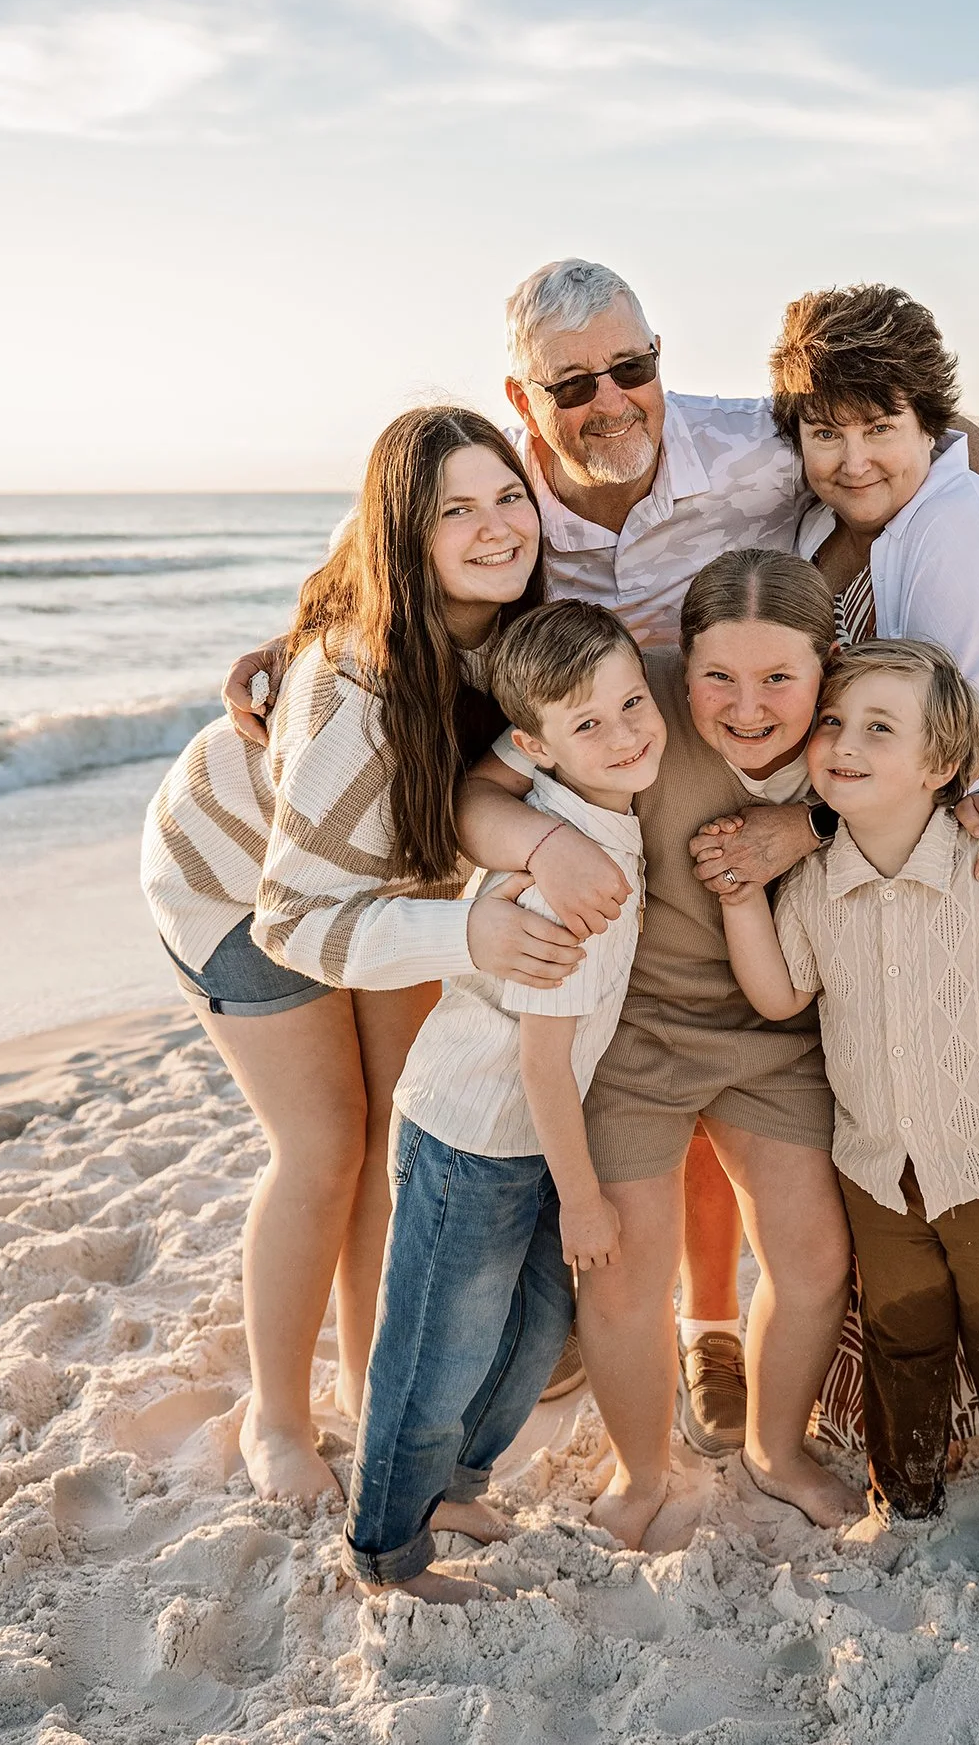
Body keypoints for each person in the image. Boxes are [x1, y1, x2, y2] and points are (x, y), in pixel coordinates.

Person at [223, 260, 979, 1457]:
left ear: (659, 356)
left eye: (632, 367)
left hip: (551, 800)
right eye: (572, 384)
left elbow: (886, 411)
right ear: (523, 401)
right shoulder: (495, 489)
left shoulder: (749, 445)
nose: (610, 399)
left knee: (619, 1060)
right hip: (312, 846)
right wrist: (299, 636)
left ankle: (686, 1332)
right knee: (348, 1136)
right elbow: (373, 564)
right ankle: (316, 1414)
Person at [457, 549, 979, 1546]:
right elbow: (476, 800)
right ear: (675, 664)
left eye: (779, 678)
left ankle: (776, 1450)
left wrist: (820, 820)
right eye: (716, 677)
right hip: (636, 1031)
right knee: (626, 1271)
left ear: (829, 668)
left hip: (777, 1035)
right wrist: (544, 846)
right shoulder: (633, 703)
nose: (746, 707)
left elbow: (941, 782)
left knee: (812, 1257)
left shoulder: (849, 732)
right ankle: (640, 1471)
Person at [139, 406, 583, 1508]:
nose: (496, 526)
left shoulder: (505, 620)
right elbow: (296, 920)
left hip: (387, 875)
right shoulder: (353, 691)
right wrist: (469, 933)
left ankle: (363, 1382)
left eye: (508, 497)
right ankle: (278, 1419)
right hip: (237, 884)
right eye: (457, 511)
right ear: (409, 535)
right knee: (326, 1142)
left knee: (398, 1130)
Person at [717, 638, 979, 1564]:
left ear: (941, 767)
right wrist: (740, 898)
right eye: (833, 722)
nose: (843, 743)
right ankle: (905, 1495)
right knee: (903, 1341)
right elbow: (778, 995)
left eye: (878, 729)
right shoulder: (812, 887)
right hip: (879, 1173)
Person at [351, 600, 662, 1603]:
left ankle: (451, 1487)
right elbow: (540, 1062)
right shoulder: (565, 870)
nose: (625, 734)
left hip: (528, 1137)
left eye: (632, 702)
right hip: (470, 1135)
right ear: (533, 747)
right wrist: (586, 1199)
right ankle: (386, 1551)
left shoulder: (602, 814)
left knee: (533, 1326)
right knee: (435, 1350)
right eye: (589, 724)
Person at [768, 282, 979, 919]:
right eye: (827, 433)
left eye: (880, 429)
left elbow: (962, 748)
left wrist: (804, 828)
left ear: (928, 429)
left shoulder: (958, 526)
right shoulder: (817, 524)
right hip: (880, 849)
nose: (854, 463)